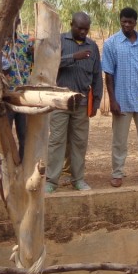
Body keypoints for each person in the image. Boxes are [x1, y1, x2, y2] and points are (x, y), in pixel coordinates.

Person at [103, 7, 138, 187]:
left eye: (130, 22)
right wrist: (112, 100)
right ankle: (117, 173)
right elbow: (108, 74)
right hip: (121, 100)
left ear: (136, 22)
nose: (127, 25)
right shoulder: (111, 43)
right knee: (119, 141)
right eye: (124, 21)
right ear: (120, 21)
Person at [47, 12, 102, 193]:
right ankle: (51, 181)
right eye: (80, 28)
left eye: (86, 29)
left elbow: (97, 76)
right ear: (71, 25)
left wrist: (96, 102)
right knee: (57, 141)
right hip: (60, 101)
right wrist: (73, 57)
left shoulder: (92, 46)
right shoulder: (60, 41)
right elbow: (50, 64)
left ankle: (78, 179)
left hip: (82, 103)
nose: (83, 32)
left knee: (79, 142)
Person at [0, 16, 32, 189]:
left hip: (23, 97)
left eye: (13, 21)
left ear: (18, 22)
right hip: (3, 98)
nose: (10, 24)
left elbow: (35, 62)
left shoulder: (26, 43)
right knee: (2, 138)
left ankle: (24, 174)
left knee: (25, 137)